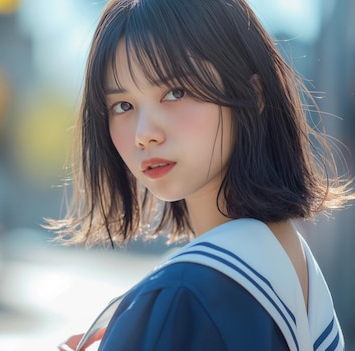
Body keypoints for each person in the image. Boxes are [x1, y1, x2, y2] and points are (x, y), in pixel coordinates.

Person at [47, 0, 355, 350]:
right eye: (123, 106)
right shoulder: (293, 268)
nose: (144, 133)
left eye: (175, 93)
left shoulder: (185, 292)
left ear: (253, 95)